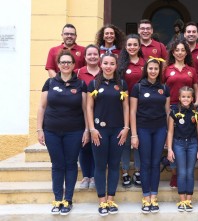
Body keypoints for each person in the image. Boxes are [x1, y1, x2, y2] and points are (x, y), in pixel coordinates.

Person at [37, 50, 89, 215]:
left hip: (74, 131)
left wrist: (87, 130)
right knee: (57, 165)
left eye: (69, 62)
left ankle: (68, 199)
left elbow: (86, 109)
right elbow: (42, 107)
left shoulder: (81, 84)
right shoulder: (50, 82)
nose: (66, 65)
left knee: (71, 164)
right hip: (51, 131)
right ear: (58, 65)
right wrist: (39, 129)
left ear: (74, 65)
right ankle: (58, 199)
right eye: (62, 62)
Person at [86, 53, 129, 216]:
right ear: (101, 64)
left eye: (112, 63)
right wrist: (92, 129)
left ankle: (111, 199)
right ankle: (101, 201)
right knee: (100, 165)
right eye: (106, 63)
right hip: (99, 131)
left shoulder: (122, 84)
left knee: (113, 165)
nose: (109, 66)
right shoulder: (94, 84)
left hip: (117, 130)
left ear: (116, 66)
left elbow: (126, 107)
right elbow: (89, 108)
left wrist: (126, 128)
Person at [130, 57, 170, 214]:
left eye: (156, 68)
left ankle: (154, 196)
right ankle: (145, 197)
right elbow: (132, 111)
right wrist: (134, 134)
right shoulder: (138, 87)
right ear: (146, 70)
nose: (153, 71)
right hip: (143, 129)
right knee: (145, 163)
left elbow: (167, 112)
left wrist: (168, 133)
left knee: (155, 163)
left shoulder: (164, 88)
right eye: (150, 68)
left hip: (160, 129)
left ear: (159, 71)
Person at [164, 39, 198, 188]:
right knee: (173, 140)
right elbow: (164, 91)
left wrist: (196, 103)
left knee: (188, 137)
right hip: (172, 107)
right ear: (173, 52)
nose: (179, 52)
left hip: (188, 107)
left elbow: (196, 88)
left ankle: (186, 173)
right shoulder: (167, 69)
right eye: (177, 50)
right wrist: (167, 111)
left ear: (186, 52)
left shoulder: (191, 70)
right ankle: (174, 173)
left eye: (182, 50)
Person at [167, 86, 198, 212]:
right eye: (183, 97)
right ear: (179, 98)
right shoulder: (174, 111)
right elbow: (170, 132)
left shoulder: (196, 112)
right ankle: (182, 200)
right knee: (182, 173)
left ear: (192, 98)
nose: (186, 99)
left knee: (190, 172)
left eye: (188, 97)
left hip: (193, 144)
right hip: (179, 144)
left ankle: (189, 200)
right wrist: (170, 149)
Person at [117, 34, 145, 188]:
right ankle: (125, 172)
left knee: (138, 142)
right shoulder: (121, 64)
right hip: (122, 108)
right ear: (125, 47)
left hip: (141, 108)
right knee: (125, 141)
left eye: (135, 44)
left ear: (139, 46)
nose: (132, 47)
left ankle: (139, 171)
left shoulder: (145, 63)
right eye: (130, 45)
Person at [74, 44, 101, 189]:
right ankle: (86, 176)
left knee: (97, 146)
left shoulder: (105, 72)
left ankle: (95, 176)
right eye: (89, 54)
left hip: (101, 114)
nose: (92, 57)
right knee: (84, 145)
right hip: (81, 114)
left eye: (95, 54)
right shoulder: (77, 73)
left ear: (99, 56)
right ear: (84, 57)